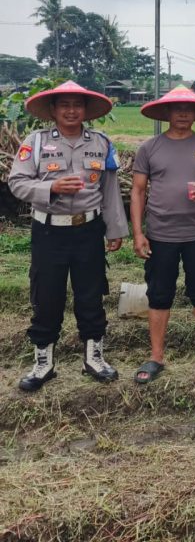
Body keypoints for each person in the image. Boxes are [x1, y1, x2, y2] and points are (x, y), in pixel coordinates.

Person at [9, 81, 128, 391]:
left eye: (77, 105)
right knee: (47, 295)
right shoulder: (36, 142)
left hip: (89, 230)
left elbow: (110, 191)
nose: (71, 111)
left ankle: (94, 358)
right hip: (49, 231)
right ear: (53, 110)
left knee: (91, 293)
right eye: (64, 105)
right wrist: (51, 187)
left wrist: (115, 230)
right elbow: (17, 182)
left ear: (86, 110)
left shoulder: (101, 143)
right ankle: (43, 363)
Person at [130, 86, 195, 384]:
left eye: (189, 109)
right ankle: (156, 356)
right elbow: (138, 191)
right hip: (160, 234)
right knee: (159, 293)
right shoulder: (150, 148)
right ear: (167, 113)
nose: (183, 114)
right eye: (177, 109)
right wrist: (138, 233)